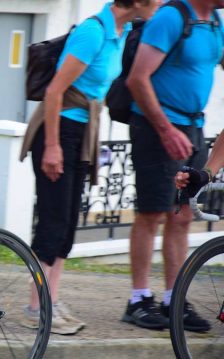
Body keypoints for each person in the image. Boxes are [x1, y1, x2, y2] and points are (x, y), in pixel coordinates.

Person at [19, 0, 160, 335]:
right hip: (59, 130)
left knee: (67, 222)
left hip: (82, 131)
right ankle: (35, 307)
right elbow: (54, 91)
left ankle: (50, 300)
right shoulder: (93, 32)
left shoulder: (122, 30)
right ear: (138, 1)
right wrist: (52, 147)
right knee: (54, 219)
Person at [121, 0, 223, 332]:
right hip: (156, 127)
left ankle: (172, 299)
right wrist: (165, 129)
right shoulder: (171, 16)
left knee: (181, 215)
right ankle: (138, 299)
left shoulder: (215, 22)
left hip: (193, 128)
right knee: (152, 213)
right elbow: (138, 79)